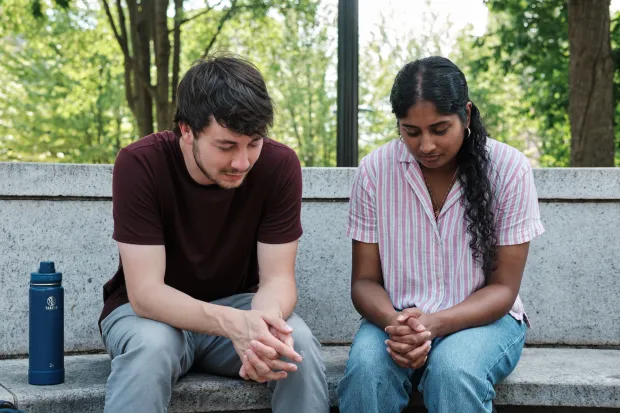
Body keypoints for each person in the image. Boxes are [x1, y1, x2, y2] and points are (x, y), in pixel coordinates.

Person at [98, 55, 329, 413]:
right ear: (187, 130)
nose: (242, 162)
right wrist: (235, 325)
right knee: (152, 349)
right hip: (149, 317)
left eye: (253, 143)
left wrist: (260, 328)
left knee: (294, 344)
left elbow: (279, 280)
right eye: (226, 146)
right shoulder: (140, 164)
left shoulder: (279, 165)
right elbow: (145, 294)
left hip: (237, 304)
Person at [337, 56, 545, 413]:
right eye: (411, 131)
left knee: (454, 371)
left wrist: (434, 325)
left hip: (485, 321)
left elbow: (503, 289)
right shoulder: (375, 171)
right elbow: (365, 282)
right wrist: (396, 324)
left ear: (465, 114)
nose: (426, 145)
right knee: (366, 373)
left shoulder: (509, 169)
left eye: (439, 128)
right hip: (396, 320)